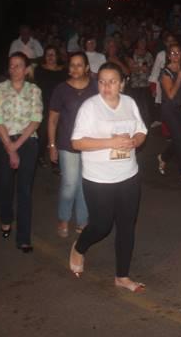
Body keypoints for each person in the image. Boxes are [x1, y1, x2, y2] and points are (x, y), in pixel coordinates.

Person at [69, 63, 147, 293]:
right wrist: (109, 143)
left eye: (112, 81)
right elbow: (77, 142)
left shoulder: (129, 103)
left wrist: (135, 141)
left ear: (122, 84)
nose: (106, 86)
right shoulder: (90, 107)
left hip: (128, 176)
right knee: (101, 226)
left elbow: (142, 130)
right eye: (102, 81)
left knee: (126, 226)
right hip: (98, 178)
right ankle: (79, 247)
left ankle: (122, 276)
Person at [0, 53, 43, 252]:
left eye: (18, 65)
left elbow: (36, 120)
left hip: (28, 141)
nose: (14, 69)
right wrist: (9, 147)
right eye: (11, 65)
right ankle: (6, 218)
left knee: (24, 190)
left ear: (26, 69)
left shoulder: (34, 90)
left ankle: (23, 238)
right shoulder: (0, 89)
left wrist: (17, 145)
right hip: (4, 139)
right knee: (5, 185)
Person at [48, 52, 96, 237]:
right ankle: (64, 217)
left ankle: (83, 220)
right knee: (69, 183)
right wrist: (52, 145)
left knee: (84, 183)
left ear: (87, 68)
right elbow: (52, 120)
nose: (75, 68)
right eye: (72, 65)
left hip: (90, 144)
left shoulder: (95, 87)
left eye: (79, 65)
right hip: (67, 144)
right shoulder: (61, 89)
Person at [157, 44, 181, 182]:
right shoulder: (165, 72)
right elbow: (171, 94)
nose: (176, 55)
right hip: (170, 110)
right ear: (168, 56)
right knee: (179, 140)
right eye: (172, 53)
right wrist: (179, 78)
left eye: (178, 52)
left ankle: (163, 157)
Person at [34, 46, 66, 168]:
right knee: (43, 133)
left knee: (58, 133)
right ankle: (40, 156)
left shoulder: (63, 70)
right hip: (44, 104)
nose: (50, 57)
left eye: (53, 54)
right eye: (48, 54)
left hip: (59, 105)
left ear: (57, 56)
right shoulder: (39, 69)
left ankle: (55, 161)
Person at [126, 37, 154, 127]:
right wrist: (141, 68)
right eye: (141, 41)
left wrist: (148, 69)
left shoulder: (149, 54)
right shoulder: (132, 53)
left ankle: (145, 125)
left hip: (146, 83)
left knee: (146, 106)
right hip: (135, 84)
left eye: (144, 41)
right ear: (137, 43)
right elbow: (130, 69)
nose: (143, 43)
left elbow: (153, 68)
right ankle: (136, 124)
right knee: (136, 105)